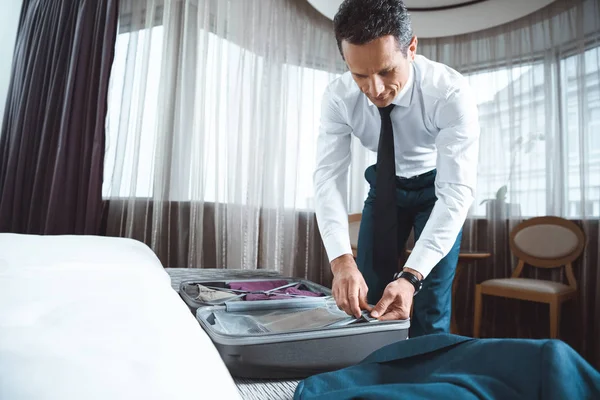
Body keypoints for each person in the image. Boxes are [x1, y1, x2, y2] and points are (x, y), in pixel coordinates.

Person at [313, 0, 480, 337]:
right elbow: (328, 179)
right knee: (369, 289)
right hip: (384, 185)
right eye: (360, 74)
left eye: (386, 71)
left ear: (412, 48)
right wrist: (341, 260)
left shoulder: (449, 92)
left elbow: (456, 193)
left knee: (429, 300)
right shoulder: (338, 97)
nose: (374, 90)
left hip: (437, 189)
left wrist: (411, 276)